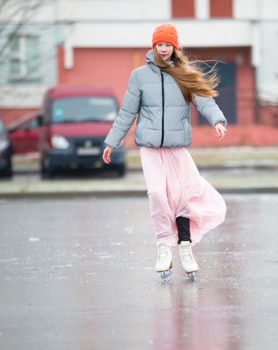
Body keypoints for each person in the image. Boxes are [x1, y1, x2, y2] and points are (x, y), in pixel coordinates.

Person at [102, 23, 227, 280]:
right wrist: (112, 142)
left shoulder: (183, 74)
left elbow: (204, 100)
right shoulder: (138, 76)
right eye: (159, 44)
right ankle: (163, 247)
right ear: (153, 46)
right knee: (158, 194)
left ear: (174, 47)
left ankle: (185, 246)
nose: (164, 49)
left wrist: (217, 120)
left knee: (182, 196)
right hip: (149, 148)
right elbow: (128, 112)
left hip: (176, 147)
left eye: (168, 44)